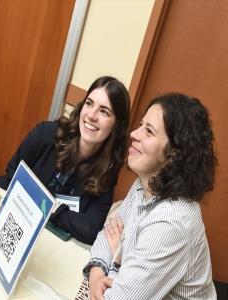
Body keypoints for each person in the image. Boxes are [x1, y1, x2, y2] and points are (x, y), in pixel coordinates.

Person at [79, 93, 217, 299]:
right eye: (141, 125)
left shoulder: (172, 222)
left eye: (149, 131)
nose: (134, 133)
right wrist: (97, 276)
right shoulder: (146, 182)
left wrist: (118, 262)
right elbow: (106, 236)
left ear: (174, 154)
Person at [0, 76, 130, 245]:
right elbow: (12, 174)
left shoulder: (105, 172)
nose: (92, 115)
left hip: (50, 244)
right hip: (10, 218)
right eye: (89, 103)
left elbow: (90, 229)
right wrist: (60, 213)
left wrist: (53, 209)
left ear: (117, 125)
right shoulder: (46, 134)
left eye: (104, 111)